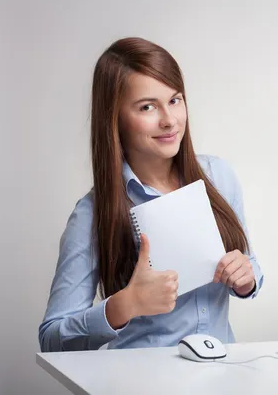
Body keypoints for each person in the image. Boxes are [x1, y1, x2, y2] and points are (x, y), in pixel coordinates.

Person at [38, 37, 264, 352]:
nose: (169, 120)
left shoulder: (219, 176)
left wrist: (246, 277)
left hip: (222, 373)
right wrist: (124, 305)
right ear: (114, 117)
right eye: (147, 106)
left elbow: (249, 265)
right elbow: (51, 339)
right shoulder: (93, 214)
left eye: (175, 100)